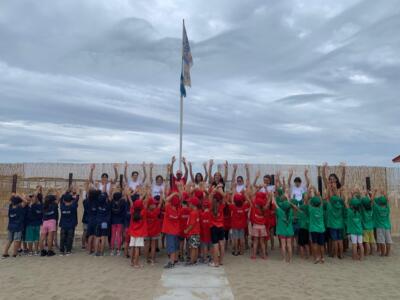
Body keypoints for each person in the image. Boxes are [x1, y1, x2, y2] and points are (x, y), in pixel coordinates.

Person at [273, 193, 295, 263]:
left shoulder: (280, 211)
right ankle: (290, 259)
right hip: (289, 231)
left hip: (282, 231)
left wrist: (272, 196)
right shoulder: (291, 210)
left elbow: (275, 204)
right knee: (289, 245)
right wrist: (288, 199)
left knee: (283, 245)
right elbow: (289, 205)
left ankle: (284, 259)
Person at [162, 192, 181, 269]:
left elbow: (166, 200)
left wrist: (174, 194)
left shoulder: (168, 207)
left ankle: (172, 262)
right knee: (176, 246)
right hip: (176, 230)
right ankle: (176, 259)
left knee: (171, 247)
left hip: (170, 231)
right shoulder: (179, 209)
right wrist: (178, 194)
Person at [344, 189, 364, 260]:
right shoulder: (360, 212)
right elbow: (360, 203)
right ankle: (361, 257)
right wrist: (359, 193)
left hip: (353, 231)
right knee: (360, 244)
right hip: (360, 231)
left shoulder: (350, 212)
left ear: (351, 205)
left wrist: (349, 195)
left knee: (354, 245)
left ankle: (354, 256)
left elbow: (346, 203)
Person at [307, 187, 325, 264]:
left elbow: (308, 202)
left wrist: (310, 193)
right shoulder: (321, 209)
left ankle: (317, 257)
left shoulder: (311, 209)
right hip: (321, 229)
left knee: (315, 244)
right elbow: (321, 202)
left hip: (314, 229)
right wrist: (319, 195)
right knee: (321, 244)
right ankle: (322, 258)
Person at [128, 199, 148, 268]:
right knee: (137, 248)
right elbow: (145, 204)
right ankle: (136, 263)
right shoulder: (143, 212)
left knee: (132, 247)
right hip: (139, 233)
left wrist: (129, 197)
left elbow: (132, 205)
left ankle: (131, 262)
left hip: (133, 232)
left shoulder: (132, 211)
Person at [209, 188, 226, 267]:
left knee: (215, 245)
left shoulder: (211, 206)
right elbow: (224, 197)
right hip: (221, 226)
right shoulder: (222, 206)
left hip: (213, 227)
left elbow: (210, 195)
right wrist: (220, 190)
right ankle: (221, 261)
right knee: (221, 244)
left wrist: (215, 189)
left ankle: (215, 262)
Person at [39, 192, 60, 257]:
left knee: (42, 238)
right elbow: (58, 199)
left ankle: (42, 251)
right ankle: (49, 251)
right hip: (52, 221)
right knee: (50, 238)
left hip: (45, 222)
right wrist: (58, 193)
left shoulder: (44, 205)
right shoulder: (54, 205)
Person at [372, 189, 392, 256]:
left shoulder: (377, 208)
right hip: (387, 226)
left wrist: (374, 192)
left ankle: (383, 253)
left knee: (382, 241)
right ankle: (387, 253)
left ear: (379, 202)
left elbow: (372, 200)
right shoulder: (387, 208)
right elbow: (388, 201)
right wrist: (384, 193)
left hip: (380, 227)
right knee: (388, 241)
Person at [250, 192, 269, 260]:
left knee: (255, 242)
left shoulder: (254, 208)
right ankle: (264, 256)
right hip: (262, 227)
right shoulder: (264, 209)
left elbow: (251, 197)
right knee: (262, 242)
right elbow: (267, 203)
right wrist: (270, 196)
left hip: (255, 226)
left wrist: (256, 191)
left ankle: (254, 255)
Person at [229, 192, 249, 256]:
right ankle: (242, 251)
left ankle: (236, 251)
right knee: (241, 238)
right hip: (242, 225)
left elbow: (231, 201)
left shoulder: (233, 207)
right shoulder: (244, 206)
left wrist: (233, 192)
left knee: (235, 238)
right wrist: (245, 195)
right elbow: (248, 201)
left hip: (235, 225)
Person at [184, 197, 201, 265]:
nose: (188, 204)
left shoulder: (193, 213)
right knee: (195, 246)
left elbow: (192, 224)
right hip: (196, 232)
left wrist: (186, 230)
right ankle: (195, 259)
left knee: (193, 247)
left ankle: (192, 261)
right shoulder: (196, 211)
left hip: (193, 232)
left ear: (193, 204)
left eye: (190, 203)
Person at [144, 197, 161, 265]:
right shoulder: (156, 211)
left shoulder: (145, 211)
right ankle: (153, 260)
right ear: (150, 205)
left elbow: (144, 205)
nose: (155, 205)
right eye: (153, 204)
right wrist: (162, 195)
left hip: (147, 231)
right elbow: (160, 204)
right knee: (153, 246)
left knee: (147, 245)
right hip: (154, 231)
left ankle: (147, 259)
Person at [25, 190, 43, 256]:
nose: (31, 198)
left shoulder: (31, 205)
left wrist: (32, 195)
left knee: (30, 238)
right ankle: (36, 251)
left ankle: (30, 251)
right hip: (37, 223)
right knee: (36, 238)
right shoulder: (41, 205)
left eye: (32, 197)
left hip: (30, 224)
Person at [95, 189, 111, 256]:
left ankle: (96, 252)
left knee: (98, 237)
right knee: (103, 237)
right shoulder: (107, 205)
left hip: (98, 221)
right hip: (104, 222)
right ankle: (101, 252)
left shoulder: (97, 204)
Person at [110, 191, 127, 256]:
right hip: (120, 221)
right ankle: (118, 250)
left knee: (113, 236)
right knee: (119, 236)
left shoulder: (112, 202)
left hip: (113, 221)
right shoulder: (122, 202)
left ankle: (112, 250)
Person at [86, 187, 99, 255]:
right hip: (96, 220)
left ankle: (89, 250)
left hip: (90, 219)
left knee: (90, 235)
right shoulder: (97, 201)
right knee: (96, 236)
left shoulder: (88, 201)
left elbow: (87, 195)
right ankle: (95, 250)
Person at [199, 199, 212, 263]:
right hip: (210, 232)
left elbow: (200, 224)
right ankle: (211, 257)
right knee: (211, 245)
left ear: (203, 207)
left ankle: (205, 258)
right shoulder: (211, 214)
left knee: (205, 245)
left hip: (204, 232)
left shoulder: (202, 214)